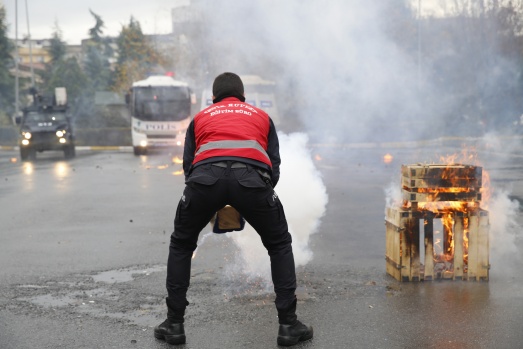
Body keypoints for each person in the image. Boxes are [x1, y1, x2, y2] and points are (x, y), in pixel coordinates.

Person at [154, 72, 313, 346]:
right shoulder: (261, 116)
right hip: (251, 180)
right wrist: (253, 197)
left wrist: (211, 197)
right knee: (279, 244)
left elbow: (189, 166)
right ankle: (288, 326)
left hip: (204, 181)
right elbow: (273, 165)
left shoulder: (201, 117)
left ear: (213, 97)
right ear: (243, 97)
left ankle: (175, 325)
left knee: (181, 245)